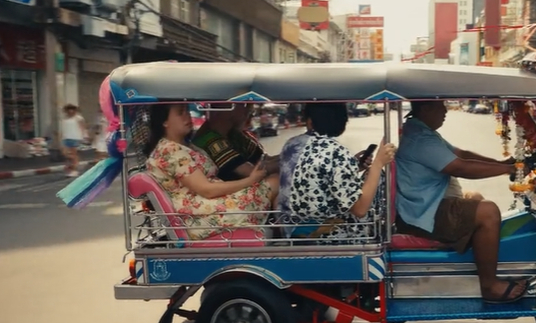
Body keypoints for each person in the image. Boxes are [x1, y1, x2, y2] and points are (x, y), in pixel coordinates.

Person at [395, 100, 529, 304]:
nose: (445, 110)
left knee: (475, 198)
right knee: (488, 211)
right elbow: (460, 167)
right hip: (422, 217)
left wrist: (502, 164)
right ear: (425, 108)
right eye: (440, 105)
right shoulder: (420, 139)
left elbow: (462, 154)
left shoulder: (421, 131)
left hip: (423, 208)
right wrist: (509, 170)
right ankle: (489, 286)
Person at [144, 103, 274, 240]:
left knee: (274, 181)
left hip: (212, 207)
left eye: (187, 111)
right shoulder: (170, 150)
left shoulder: (185, 145)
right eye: (180, 113)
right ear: (164, 121)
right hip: (205, 216)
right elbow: (207, 189)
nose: (187, 116)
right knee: (274, 182)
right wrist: (250, 180)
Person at [286, 103, 395, 242]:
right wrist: (378, 164)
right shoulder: (336, 152)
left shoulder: (299, 145)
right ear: (343, 122)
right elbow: (360, 210)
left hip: (297, 226)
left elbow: (319, 177)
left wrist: (353, 166)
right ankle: (380, 236)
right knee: (377, 177)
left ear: (310, 122)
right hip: (327, 235)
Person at [192, 103, 280, 198]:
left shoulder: (234, 135)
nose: (249, 112)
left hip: (244, 188)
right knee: (276, 180)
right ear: (227, 110)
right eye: (244, 105)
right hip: (231, 194)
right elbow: (249, 171)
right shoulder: (210, 140)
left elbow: (262, 158)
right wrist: (287, 159)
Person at [60, 104, 87, 177]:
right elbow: (63, 128)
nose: (70, 111)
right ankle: (71, 167)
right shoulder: (64, 118)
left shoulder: (79, 118)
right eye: (68, 109)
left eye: (72, 109)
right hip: (66, 138)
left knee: (73, 155)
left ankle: (74, 170)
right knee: (66, 154)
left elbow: (82, 127)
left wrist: (84, 136)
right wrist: (61, 137)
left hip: (75, 138)